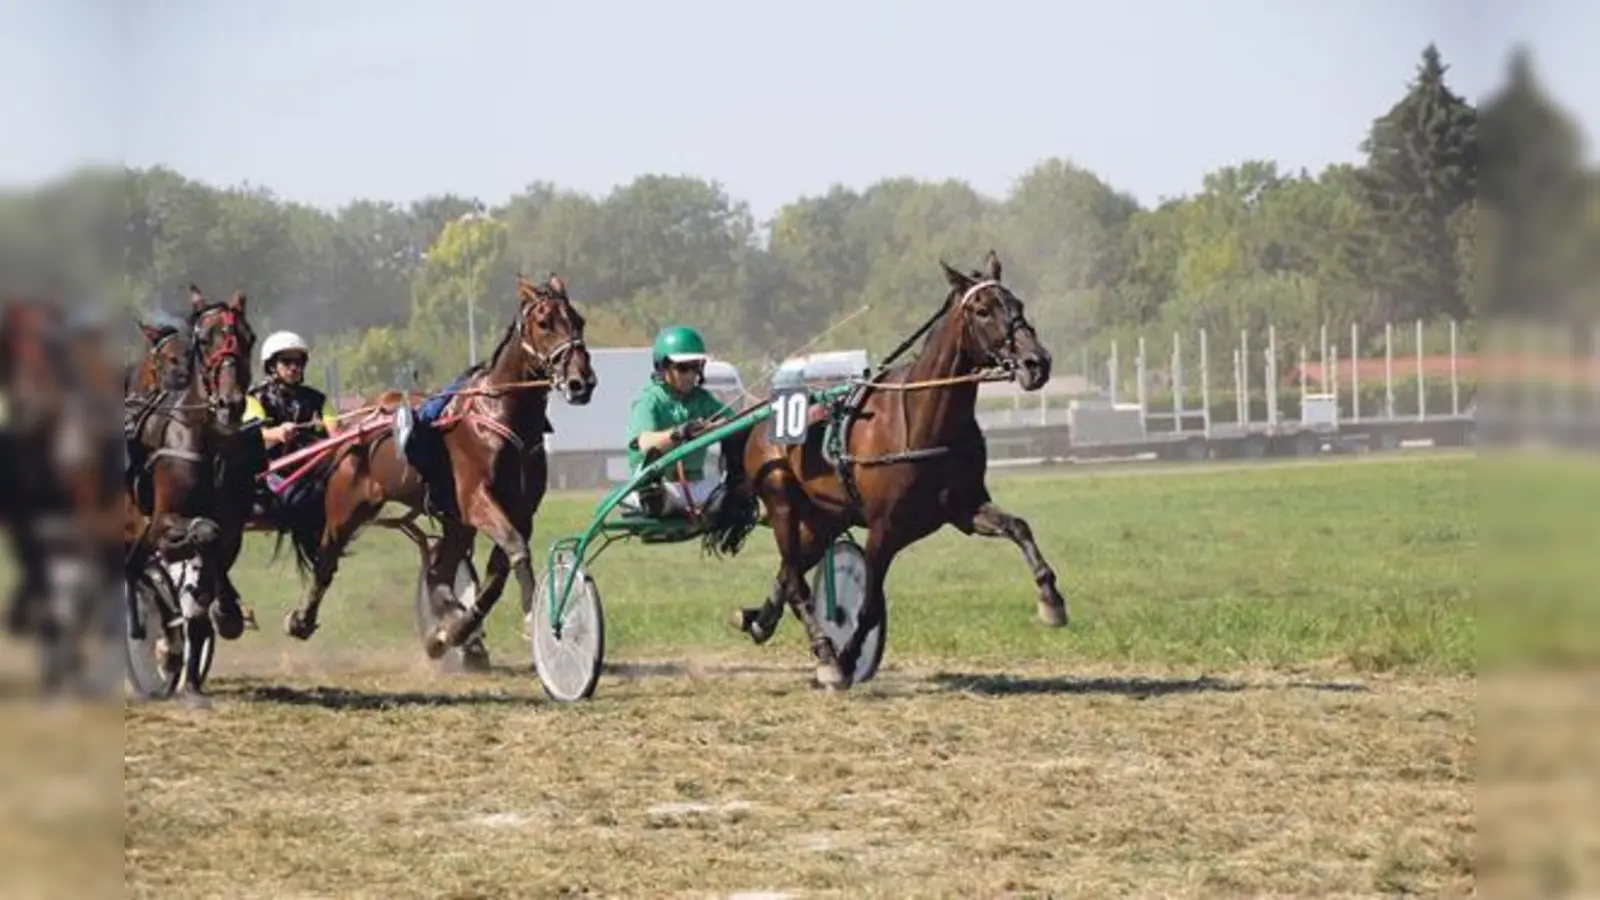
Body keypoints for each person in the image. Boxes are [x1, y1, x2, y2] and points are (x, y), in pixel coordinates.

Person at [623, 325, 734, 517]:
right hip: (658, 485)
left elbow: (732, 421)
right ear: (663, 367)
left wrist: (714, 427)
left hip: (696, 485)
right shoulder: (649, 400)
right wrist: (681, 432)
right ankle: (659, 503)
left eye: (696, 366)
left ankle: (681, 508)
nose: (691, 375)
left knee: (735, 496)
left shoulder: (702, 398)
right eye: (683, 368)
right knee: (653, 495)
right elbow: (645, 443)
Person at [243, 330, 339, 515]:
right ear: (272, 366)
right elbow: (252, 435)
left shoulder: (318, 399)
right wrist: (277, 433)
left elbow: (335, 432)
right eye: (287, 362)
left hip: (311, 469)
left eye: (299, 362)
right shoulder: (255, 398)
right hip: (269, 472)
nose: (294, 367)